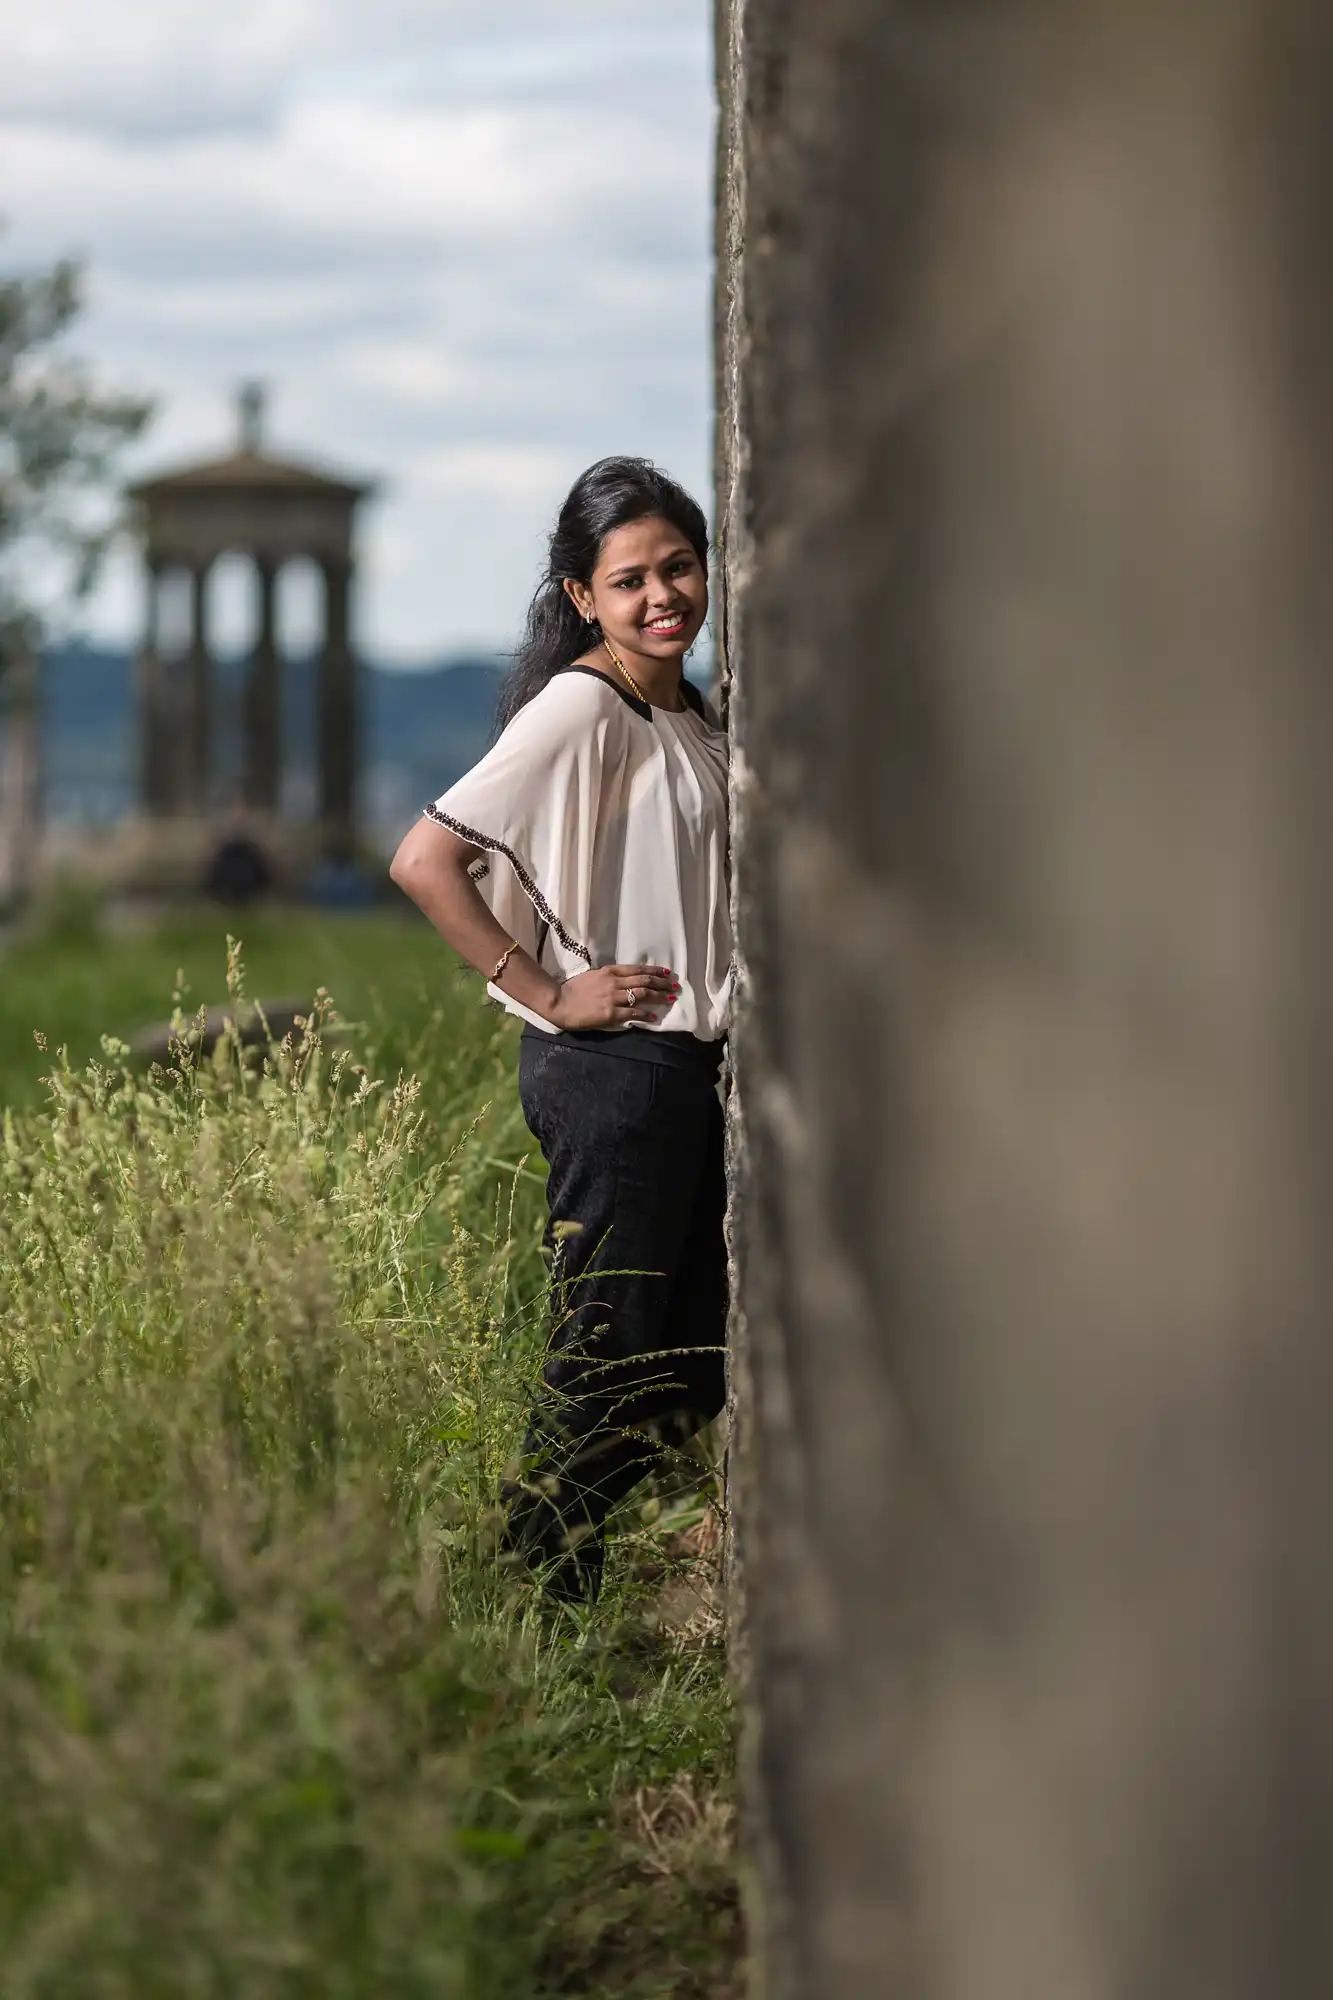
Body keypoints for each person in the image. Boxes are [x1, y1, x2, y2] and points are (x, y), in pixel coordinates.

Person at [390, 457, 731, 1600]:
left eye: (677, 567)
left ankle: (566, 1573)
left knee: (690, 1355)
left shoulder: (688, 710)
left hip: (680, 1070)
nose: (660, 596)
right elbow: (423, 858)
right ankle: (533, 1590)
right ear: (583, 596)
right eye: (628, 579)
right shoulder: (586, 702)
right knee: (608, 1349)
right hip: (611, 1071)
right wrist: (547, 990)